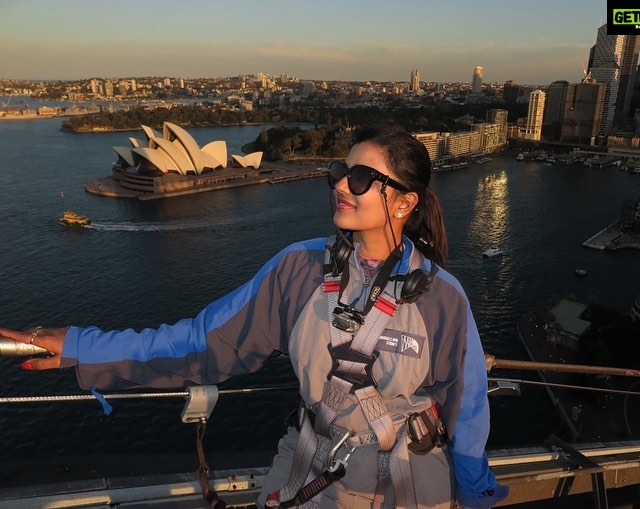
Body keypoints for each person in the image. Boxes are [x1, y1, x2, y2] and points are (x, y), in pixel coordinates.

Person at [1, 126, 508, 509]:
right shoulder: (299, 269)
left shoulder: (444, 297)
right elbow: (202, 342)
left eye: (360, 177)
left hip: (410, 487)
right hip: (316, 478)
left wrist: (474, 491)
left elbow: (465, 408)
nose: (340, 185)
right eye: (339, 172)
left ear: (405, 201)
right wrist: (82, 347)